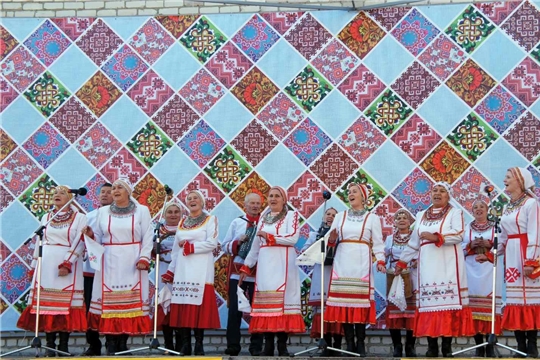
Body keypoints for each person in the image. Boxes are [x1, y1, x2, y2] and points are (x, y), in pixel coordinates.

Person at [395, 182, 474, 358]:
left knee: (447, 306)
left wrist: (436, 237)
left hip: (448, 267)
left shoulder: (455, 213)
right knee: (430, 307)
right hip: (427, 267)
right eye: (434, 190)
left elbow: (459, 235)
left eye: (442, 191)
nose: (437, 193)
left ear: (448, 196)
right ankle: (432, 348)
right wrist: (401, 262)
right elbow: (414, 243)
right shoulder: (421, 214)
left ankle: (446, 348)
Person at [84, 179, 153, 355]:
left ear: (128, 191)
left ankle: (123, 344)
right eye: (113, 188)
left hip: (133, 260)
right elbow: (98, 237)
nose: (115, 190)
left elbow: (147, 236)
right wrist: (91, 235)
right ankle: (111, 343)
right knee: (109, 303)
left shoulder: (142, 211)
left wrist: (144, 257)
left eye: (119, 187)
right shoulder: (103, 212)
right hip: (109, 260)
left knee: (129, 303)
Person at [17, 185, 87, 356]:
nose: (57, 195)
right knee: (47, 305)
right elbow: (40, 243)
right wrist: (34, 267)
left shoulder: (80, 218)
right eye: (55, 193)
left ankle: (63, 346)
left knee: (64, 306)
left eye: (62, 193)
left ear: (70, 198)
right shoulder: (47, 217)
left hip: (66, 264)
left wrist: (67, 263)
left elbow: (80, 242)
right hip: (46, 264)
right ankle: (49, 345)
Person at [477, 167, 539, 358]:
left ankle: (532, 347)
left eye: (508, 177)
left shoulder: (531, 204)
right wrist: (491, 254)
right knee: (514, 301)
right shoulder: (507, 207)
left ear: (520, 181)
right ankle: (520, 347)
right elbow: (503, 236)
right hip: (511, 257)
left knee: (529, 300)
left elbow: (535, 233)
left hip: (525, 253)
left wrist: (531, 261)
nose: (504, 180)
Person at [239, 186, 305, 356]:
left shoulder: (292, 215)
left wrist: (270, 237)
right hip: (266, 265)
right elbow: (255, 244)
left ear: (284, 200)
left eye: (277, 196)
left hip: (284, 263)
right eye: (271, 196)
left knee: (282, 305)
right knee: (267, 306)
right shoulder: (263, 217)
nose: (273, 199)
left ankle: (282, 347)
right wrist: (247, 266)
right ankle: (268, 347)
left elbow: (293, 238)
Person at [324, 182, 386, 357]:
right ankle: (349, 344)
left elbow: (378, 242)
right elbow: (330, 239)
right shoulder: (341, 216)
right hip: (342, 260)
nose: (350, 194)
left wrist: (380, 259)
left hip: (361, 261)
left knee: (359, 304)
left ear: (363, 197)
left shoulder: (372, 218)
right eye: (349, 192)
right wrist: (332, 238)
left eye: (354, 192)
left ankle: (360, 343)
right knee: (343, 303)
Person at [161, 190, 220, 356]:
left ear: (202, 202)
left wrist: (192, 247)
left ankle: (199, 344)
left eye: (195, 198)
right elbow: (175, 251)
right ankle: (186, 344)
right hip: (183, 269)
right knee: (184, 304)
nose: (192, 200)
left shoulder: (211, 220)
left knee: (198, 305)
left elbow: (212, 243)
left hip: (201, 268)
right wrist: (171, 271)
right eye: (189, 199)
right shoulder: (183, 222)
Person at [222, 193, 264, 356]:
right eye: (252, 203)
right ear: (244, 205)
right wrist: (237, 242)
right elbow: (224, 247)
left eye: (258, 203)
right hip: (237, 273)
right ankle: (233, 345)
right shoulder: (237, 222)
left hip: (259, 273)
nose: (255, 206)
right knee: (234, 310)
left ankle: (256, 347)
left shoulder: (265, 223)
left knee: (258, 310)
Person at [462, 198, 502, 357]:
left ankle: (490, 345)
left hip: (489, 269)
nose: (479, 209)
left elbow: (501, 246)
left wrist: (489, 244)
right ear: (472, 211)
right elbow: (459, 248)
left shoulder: (496, 227)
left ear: (487, 210)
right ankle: (479, 344)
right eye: (475, 207)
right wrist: (470, 246)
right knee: (473, 309)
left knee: (489, 308)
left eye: (482, 207)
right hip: (471, 269)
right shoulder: (466, 228)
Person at [301, 207, 342, 356]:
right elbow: (305, 251)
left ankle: (337, 346)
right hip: (320, 273)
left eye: (334, 215)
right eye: (328, 214)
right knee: (323, 311)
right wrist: (317, 246)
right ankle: (326, 345)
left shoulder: (341, 235)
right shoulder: (314, 234)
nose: (330, 217)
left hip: (335, 273)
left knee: (336, 309)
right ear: (324, 216)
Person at [82, 183, 113, 356]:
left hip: (113, 269)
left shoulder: (122, 217)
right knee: (89, 309)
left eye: (109, 192)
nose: (105, 195)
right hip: (91, 270)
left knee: (112, 306)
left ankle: (113, 343)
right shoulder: (90, 216)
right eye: (103, 192)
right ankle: (93, 344)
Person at [384, 209, 417, 357]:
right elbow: (383, 255)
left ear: (410, 221)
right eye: (398, 217)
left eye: (405, 217)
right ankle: (397, 346)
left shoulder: (416, 237)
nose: (402, 219)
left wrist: (416, 262)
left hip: (411, 275)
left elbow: (421, 253)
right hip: (395, 276)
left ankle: (410, 346)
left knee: (411, 312)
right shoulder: (390, 239)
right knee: (394, 312)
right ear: (395, 222)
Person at [155, 201, 183, 353]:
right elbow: (152, 251)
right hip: (163, 269)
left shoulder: (185, 229)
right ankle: (168, 344)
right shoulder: (158, 230)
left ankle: (180, 344)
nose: (173, 215)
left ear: (181, 214)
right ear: (164, 214)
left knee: (178, 306)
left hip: (181, 271)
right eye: (170, 212)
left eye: (176, 212)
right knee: (165, 304)